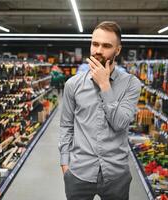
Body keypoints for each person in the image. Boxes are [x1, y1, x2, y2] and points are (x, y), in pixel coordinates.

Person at [58, 21, 141, 200]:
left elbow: (120, 123)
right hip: (79, 172)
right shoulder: (72, 85)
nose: (98, 50)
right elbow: (66, 126)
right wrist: (65, 164)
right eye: (95, 44)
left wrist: (105, 85)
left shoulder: (131, 84)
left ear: (117, 50)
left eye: (106, 46)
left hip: (116, 175)